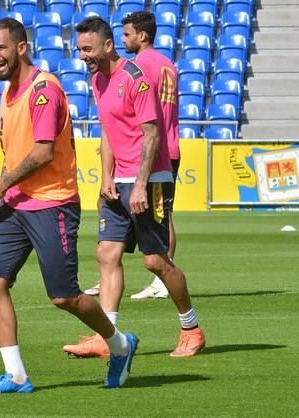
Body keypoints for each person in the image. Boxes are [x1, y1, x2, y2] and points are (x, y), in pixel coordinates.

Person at [0, 18, 138, 395]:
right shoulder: (8, 91)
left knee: (64, 295)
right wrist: (0, 201)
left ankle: (120, 345)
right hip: (16, 205)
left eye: (1, 48)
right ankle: (15, 376)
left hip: (52, 204)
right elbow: (12, 153)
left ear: (21, 47)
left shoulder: (43, 89)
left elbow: (43, 152)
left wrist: (1, 186)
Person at [63, 15, 205, 359]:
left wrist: (140, 184)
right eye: (79, 50)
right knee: (106, 253)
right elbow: (108, 131)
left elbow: (152, 133)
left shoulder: (136, 78)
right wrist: (106, 176)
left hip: (149, 180)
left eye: (88, 49)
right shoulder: (98, 80)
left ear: (108, 45)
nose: (83, 56)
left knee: (155, 261)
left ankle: (192, 328)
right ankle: (108, 337)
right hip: (118, 181)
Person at [84, 11, 181, 300]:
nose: (124, 39)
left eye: (127, 34)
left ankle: (162, 276)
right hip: (170, 146)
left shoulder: (137, 68)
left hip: (147, 151)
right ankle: (149, 275)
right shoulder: (168, 65)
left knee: (145, 220)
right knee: (164, 216)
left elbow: (134, 114)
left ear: (143, 35)